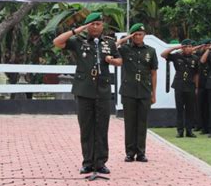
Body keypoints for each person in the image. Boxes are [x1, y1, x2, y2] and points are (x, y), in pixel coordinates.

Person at [53, 12, 122, 174]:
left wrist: (112, 61)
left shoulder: (109, 43)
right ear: (87, 26)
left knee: (102, 127)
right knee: (86, 127)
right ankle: (88, 162)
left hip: (103, 91)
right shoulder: (78, 41)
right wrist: (76, 30)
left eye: (98, 24)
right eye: (92, 24)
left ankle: (101, 162)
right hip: (84, 91)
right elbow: (57, 42)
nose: (96, 27)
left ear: (102, 26)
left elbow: (120, 61)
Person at [116, 23, 158, 162]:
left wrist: (153, 93)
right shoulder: (125, 49)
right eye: (136, 34)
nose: (138, 37)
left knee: (142, 123)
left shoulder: (150, 51)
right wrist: (126, 38)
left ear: (144, 35)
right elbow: (112, 47)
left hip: (145, 91)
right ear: (132, 36)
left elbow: (153, 73)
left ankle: (141, 152)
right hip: (129, 91)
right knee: (130, 123)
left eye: (141, 34)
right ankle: (129, 152)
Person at [161, 39, 199, 138]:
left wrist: (196, 87)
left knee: (190, 109)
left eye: (190, 46)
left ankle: (189, 130)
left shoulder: (195, 58)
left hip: (190, 86)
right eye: (186, 46)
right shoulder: (177, 56)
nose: (189, 48)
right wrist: (175, 47)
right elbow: (163, 54)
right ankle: (180, 130)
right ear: (182, 47)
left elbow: (196, 74)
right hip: (179, 85)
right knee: (180, 109)